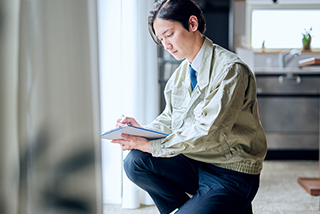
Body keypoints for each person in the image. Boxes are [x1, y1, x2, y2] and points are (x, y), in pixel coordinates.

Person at [111, 0, 267, 213]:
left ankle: (226, 201)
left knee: (148, 151)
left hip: (231, 173)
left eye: (169, 34)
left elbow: (209, 132)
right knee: (135, 161)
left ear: (192, 24)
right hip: (196, 163)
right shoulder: (181, 74)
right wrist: (141, 132)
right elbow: (170, 119)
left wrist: (151, 145)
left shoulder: (230, 70)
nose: (165, 45)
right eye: (160, 39)